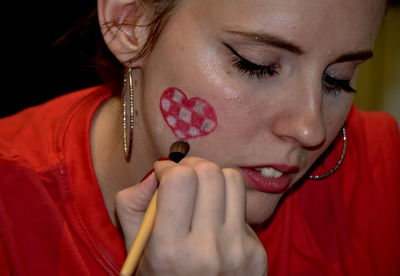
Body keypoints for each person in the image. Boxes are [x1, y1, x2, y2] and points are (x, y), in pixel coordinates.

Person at [0, 0, 399, 275]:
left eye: (337, 80)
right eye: (256, 65)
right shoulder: (11, 202)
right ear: (128, 22)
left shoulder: (383, 175)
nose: (310, 129)